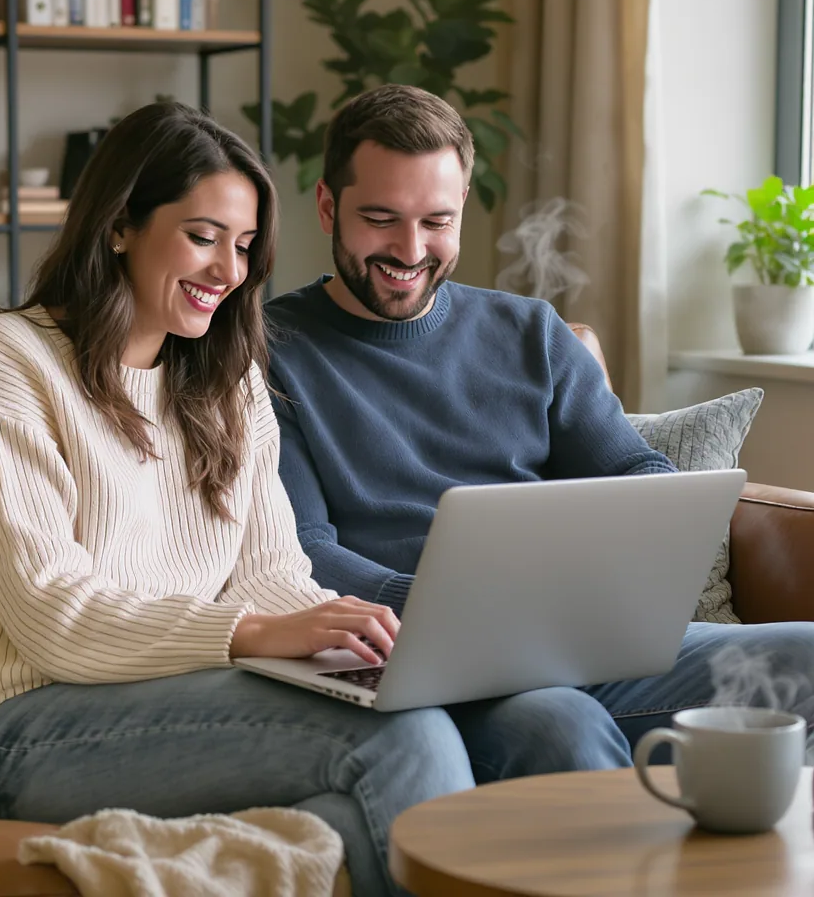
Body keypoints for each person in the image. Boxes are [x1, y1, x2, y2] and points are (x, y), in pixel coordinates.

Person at [0, 101, 475, 897]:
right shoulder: (8, 361)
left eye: (244, 246)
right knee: (403, 738)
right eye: (203, 237)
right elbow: (53, 614)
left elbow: (270, 567)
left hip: (170, 698)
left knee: (412, 745)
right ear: (119, 225)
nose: (229, 271)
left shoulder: (224, 376)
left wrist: (340, 646)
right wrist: (258, 634)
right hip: (12, 728)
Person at [265, 83, 814, 782]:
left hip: (576, 640)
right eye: (380, 219)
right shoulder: (272, 351)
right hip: (423, 663)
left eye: (436, 221)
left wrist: (583, 584)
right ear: (327, 206)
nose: (410, 249)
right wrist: (448, 608)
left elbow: (639, 477)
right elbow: (302, 548)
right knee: (565, 730)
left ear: (462, 206)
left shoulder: (532, 333)